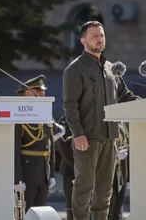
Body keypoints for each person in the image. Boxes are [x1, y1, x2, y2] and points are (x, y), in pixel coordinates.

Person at [63, 21, 139, 220]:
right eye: (94, 36)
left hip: (110, 137)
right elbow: (70, 105)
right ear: (83, 40)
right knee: (84, 187)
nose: (99, 39)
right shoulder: (75, 69)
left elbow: (125, 95)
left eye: (102, 35)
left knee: (105, 190)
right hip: (87, 138)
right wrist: (78, 134)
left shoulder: (111, 68)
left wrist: (143, 105)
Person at [14, 75, 56, 214]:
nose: (42, 93)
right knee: (24, 212)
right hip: (27, 171)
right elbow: (14, 150)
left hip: (43, 171)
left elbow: (51, 147)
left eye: (43, 90)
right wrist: (17, 179)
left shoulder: (46, 115)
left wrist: (52, 174)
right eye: (38, 90)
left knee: (40, 212)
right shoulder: (19, 116)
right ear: (27, 92)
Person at [108, 122, 129, 220]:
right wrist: (115, 155)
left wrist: (128, 178)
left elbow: (126, 145)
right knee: (109, 203)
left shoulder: (123, 123)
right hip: (108, 169)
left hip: (121, 171)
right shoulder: (107, 120)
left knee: (118, 204)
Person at [56, 114, 74, 220]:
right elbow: (63, 146)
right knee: (72, 204)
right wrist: (77, 166)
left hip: (87, 167)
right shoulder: (66, 119)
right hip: (70, 168)